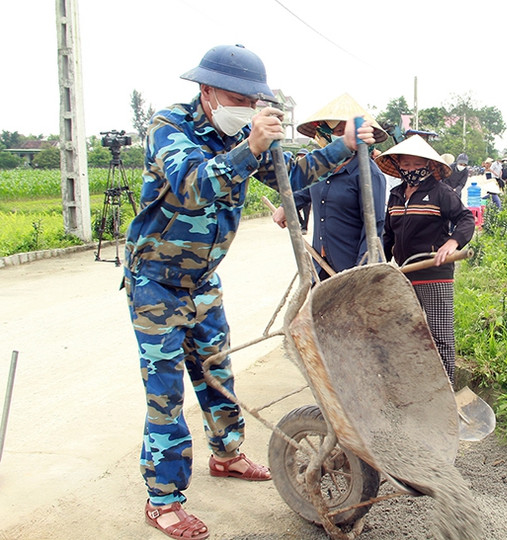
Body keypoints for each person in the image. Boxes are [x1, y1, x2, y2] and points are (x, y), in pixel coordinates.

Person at [123, 44, 375, 540]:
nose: (244, 105)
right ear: (206, 91)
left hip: (202, 280)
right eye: (235, 96)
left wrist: (343, 146)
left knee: (216, 370)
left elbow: (290, 176)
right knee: (167, 392)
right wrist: (252, 146)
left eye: (251, 98)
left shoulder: (244, 131)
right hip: (156, 282)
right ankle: (164, 498)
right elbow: (193, 184)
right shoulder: (168, 128)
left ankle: (227, 454)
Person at [377, 135, 475, 387]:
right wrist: (379, 263)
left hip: (434, 273)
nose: (410, 170)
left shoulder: (441, 192)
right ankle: (415, 387)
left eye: (415, 164)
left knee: (440, 335)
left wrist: (452, 243)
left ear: (428, 165)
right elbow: (389, 234)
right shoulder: (396, 195)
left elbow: (466, 219)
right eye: (405, 165)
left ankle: (446, 390)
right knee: (406, 334)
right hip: (404, 275)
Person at [272, 93, 389, 279]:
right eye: (338, 131)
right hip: (320, 265)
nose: (344, 136)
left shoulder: (369, 175)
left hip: (350, 267)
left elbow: (373, 229)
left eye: (347, 130)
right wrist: (286, 205)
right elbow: (305, 189)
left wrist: (362, 273)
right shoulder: (320, 168)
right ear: (325, 134)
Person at [295, 148, 311, 233]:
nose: (301, 157)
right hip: (298, 192)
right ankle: (301, 223)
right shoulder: (295, 168)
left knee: (306, 210)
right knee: (294, 207)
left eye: (303, 155)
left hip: (307, 191)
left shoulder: (312, 167)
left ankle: (304, 227)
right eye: (300, 155)